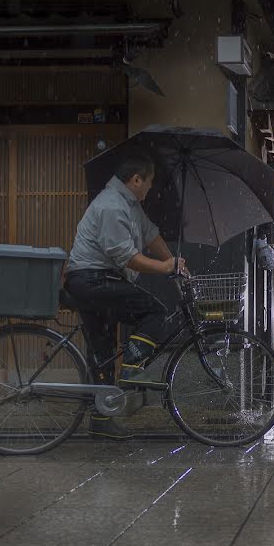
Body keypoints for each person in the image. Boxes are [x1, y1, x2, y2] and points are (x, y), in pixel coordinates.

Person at [65, 151, 187, 439]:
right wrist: (164, 267)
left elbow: (150, 235)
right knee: (155, 311)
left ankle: (100, 419)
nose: (150, 188)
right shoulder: (111, 206)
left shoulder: (129, 205)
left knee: (103, 352)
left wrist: (175, 263)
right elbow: (127, 257)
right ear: (136, 179)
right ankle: (133, 368)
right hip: (91, 280)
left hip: (95, 280)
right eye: (149, 182)